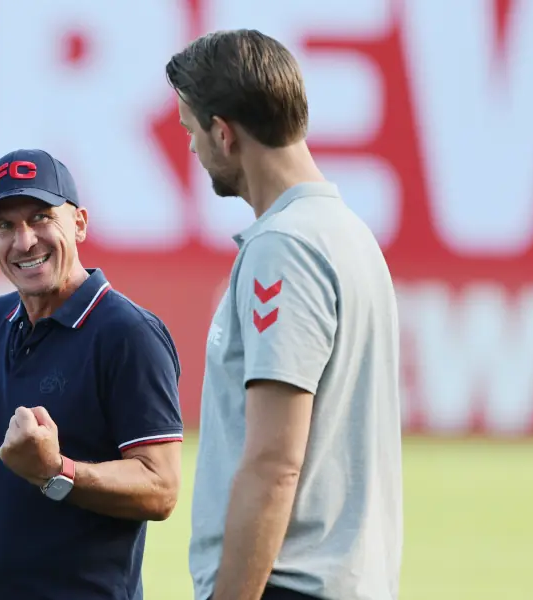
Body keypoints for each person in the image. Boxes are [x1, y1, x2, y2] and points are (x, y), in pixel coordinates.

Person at [0, 148, 185, 599]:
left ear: (79, 223)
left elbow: (160, 488)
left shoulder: (128, 334)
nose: (24, 241)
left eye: (41, 217)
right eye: (4, 225)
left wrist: (55, 472)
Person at [166, 30, 403, 600]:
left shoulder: (285, 247)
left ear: (222, 133)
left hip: (287, 585)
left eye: (191, 131)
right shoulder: (349, 234)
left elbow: (274, 462)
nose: (193, 150)